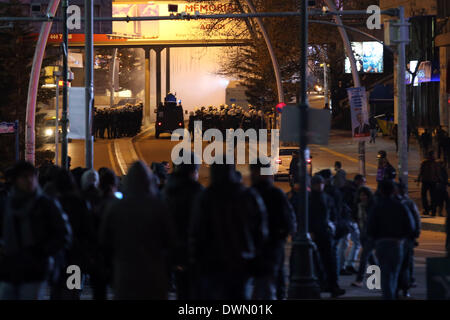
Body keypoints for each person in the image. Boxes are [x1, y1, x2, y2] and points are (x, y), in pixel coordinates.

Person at [189, 159, 269, 300]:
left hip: (212, 261)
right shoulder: (247, 195)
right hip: (241, 259)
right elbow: (260, 229)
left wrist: (197, 258)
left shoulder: (205, 197)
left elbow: (197, 231)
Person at [99, 161, 176, 299]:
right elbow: (170, 241)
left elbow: (105, 243)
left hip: (125, 272)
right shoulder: (158, 206)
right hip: (153, 272)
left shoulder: (116, 208)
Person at [0, 161, 72, 300]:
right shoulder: (8, 202)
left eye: (32, 176)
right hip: (10, 268)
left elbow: (63, 234)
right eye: (24, 177)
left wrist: (42, 252)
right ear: (15, 180)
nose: (29, 180)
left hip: (34, 269)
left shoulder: (45, 204)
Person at [249, 159, 296, 300]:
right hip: (273, 246)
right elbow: (288, 220)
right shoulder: (276, 193)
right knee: (274, 282)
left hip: (255, 247)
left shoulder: (249, 194)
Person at [46, 168, 95, 300]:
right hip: (75, 256)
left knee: (56, 290)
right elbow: (88, 231)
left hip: (57, 256)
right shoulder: (80, 202)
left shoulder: (51, 203)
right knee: (72, 290)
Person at [162, 152, 204, 300]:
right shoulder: (198, 193)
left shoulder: (167, 192)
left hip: (173, 253)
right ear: (193, 171)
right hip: (195, 254)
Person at [367, 180, 415, 300]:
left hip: (382, 243)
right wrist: (402, 237)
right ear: (393, 191)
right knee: (395, 272)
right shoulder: (400, 206)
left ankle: (388, 295)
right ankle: (392, 294)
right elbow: (411, 226)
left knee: (386, 273)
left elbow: (370, 227)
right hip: (396, 243)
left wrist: (375, 239)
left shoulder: (377, 207)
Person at [308, 174, 345, 298]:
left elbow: (333, 213)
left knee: (330, 261)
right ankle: (324, 284)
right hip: (317, 233)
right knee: (319, 261)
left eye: (321, 183)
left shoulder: (325, 197)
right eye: (318, 184)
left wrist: (332, 225)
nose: (320, 186)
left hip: (326, 232)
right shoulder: (311, 198)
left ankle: (332, 285)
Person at [396, 183, 421, 297]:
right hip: (405, 238)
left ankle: (403, 286)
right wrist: (415, 234)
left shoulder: (399, 203)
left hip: (401, 238)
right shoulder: (408, 203)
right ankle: (406, 286)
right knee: (406, 263)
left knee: (403, 264)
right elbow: (416, 220)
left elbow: (415, 220)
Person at [351, 186, 377, 288]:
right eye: (361, 195)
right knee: (370, 258)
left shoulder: (372, 206)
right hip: (362, 234)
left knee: (364, 256)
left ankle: (359, 279)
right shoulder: (358, 206)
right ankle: (378, 277)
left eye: (365, 195)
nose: (363, 197)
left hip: (371, 234)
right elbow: (355, 218)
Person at [417, 151, 441, 216]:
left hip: (427, 181)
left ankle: (428, 210)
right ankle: (432, 210)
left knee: (427, 196)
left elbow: (421, 172)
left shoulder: (425, 162)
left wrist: (419, 180)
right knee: (431, 196)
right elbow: (437, 173)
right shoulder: (433, 163)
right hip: (431, 181)